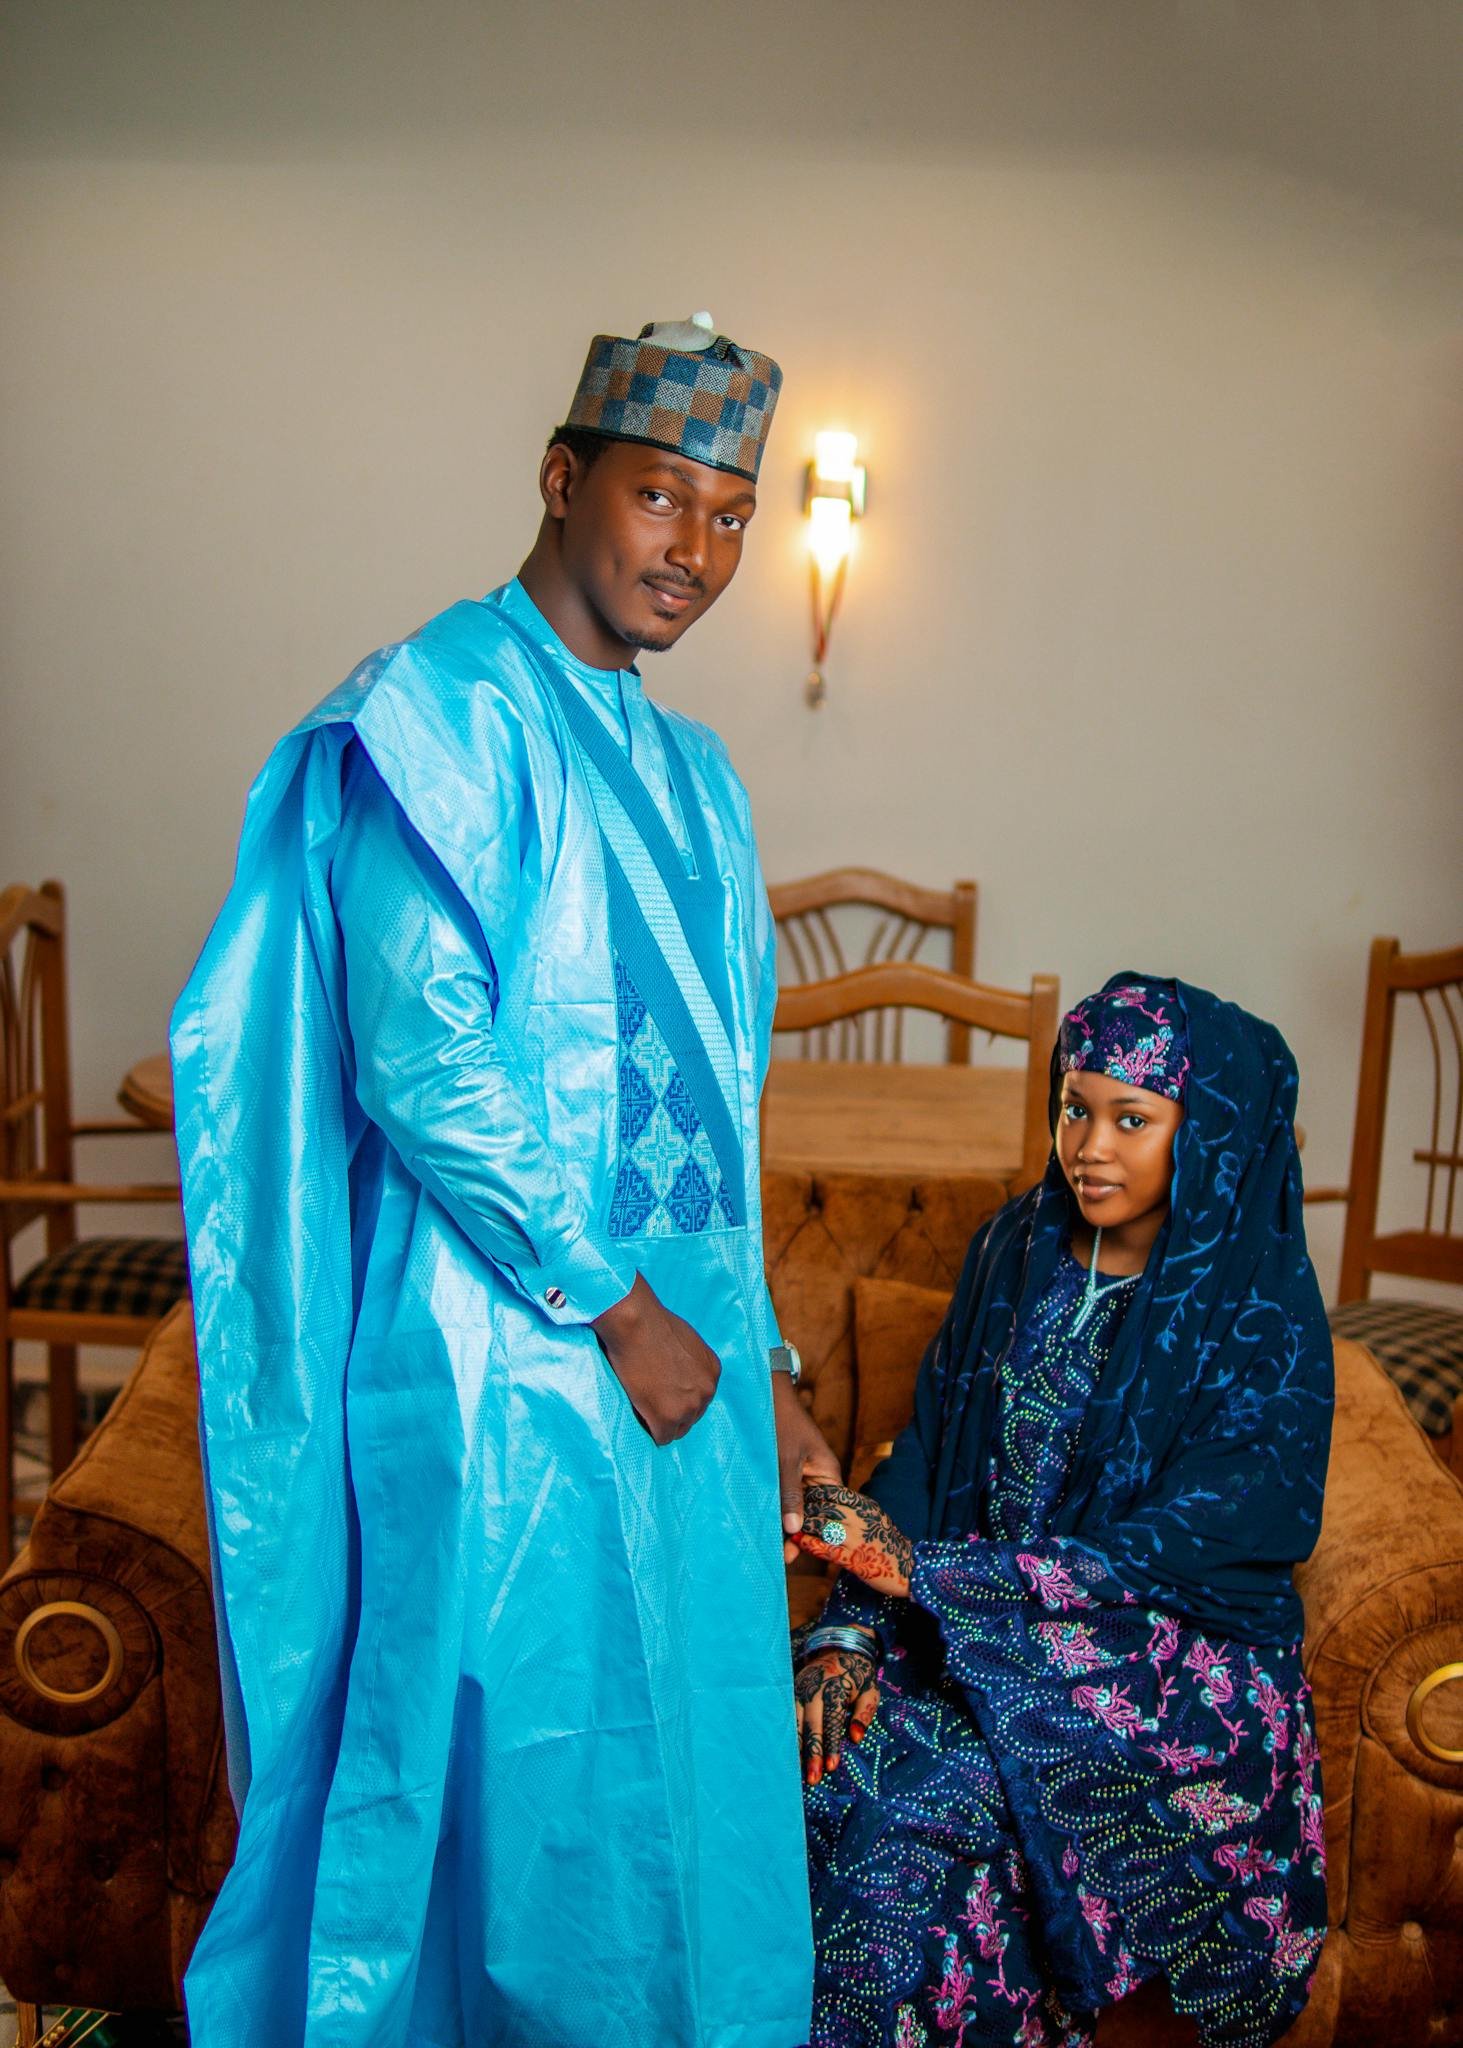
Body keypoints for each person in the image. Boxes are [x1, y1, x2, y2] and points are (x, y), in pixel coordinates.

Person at [171, 312, 835, 2046]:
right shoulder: (438, 709)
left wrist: (764, 1362)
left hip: (681, 1355)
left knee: (682, 1770)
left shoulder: (697, 775)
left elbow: (719, 1109)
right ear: (561, 477)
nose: (694, 550)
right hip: (506, 1356)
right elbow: (422, 1054)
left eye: (728, 515)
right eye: (657, 497)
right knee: (519, 1790)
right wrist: (615, 1306)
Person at [791, 976, 1333, 2048]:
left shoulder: (1253, 1306)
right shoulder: (1015, 1246)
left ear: (1203, 1134)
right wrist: (848, 1626)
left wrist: (929, 1575)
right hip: (965, 1623)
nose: (1088, 1146)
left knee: (914, 1814)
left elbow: (1199, 1541)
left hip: (1158, 1667)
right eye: (1074, 1107)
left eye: (1132, 1119)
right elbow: (927, 1448)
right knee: (788, 1761)